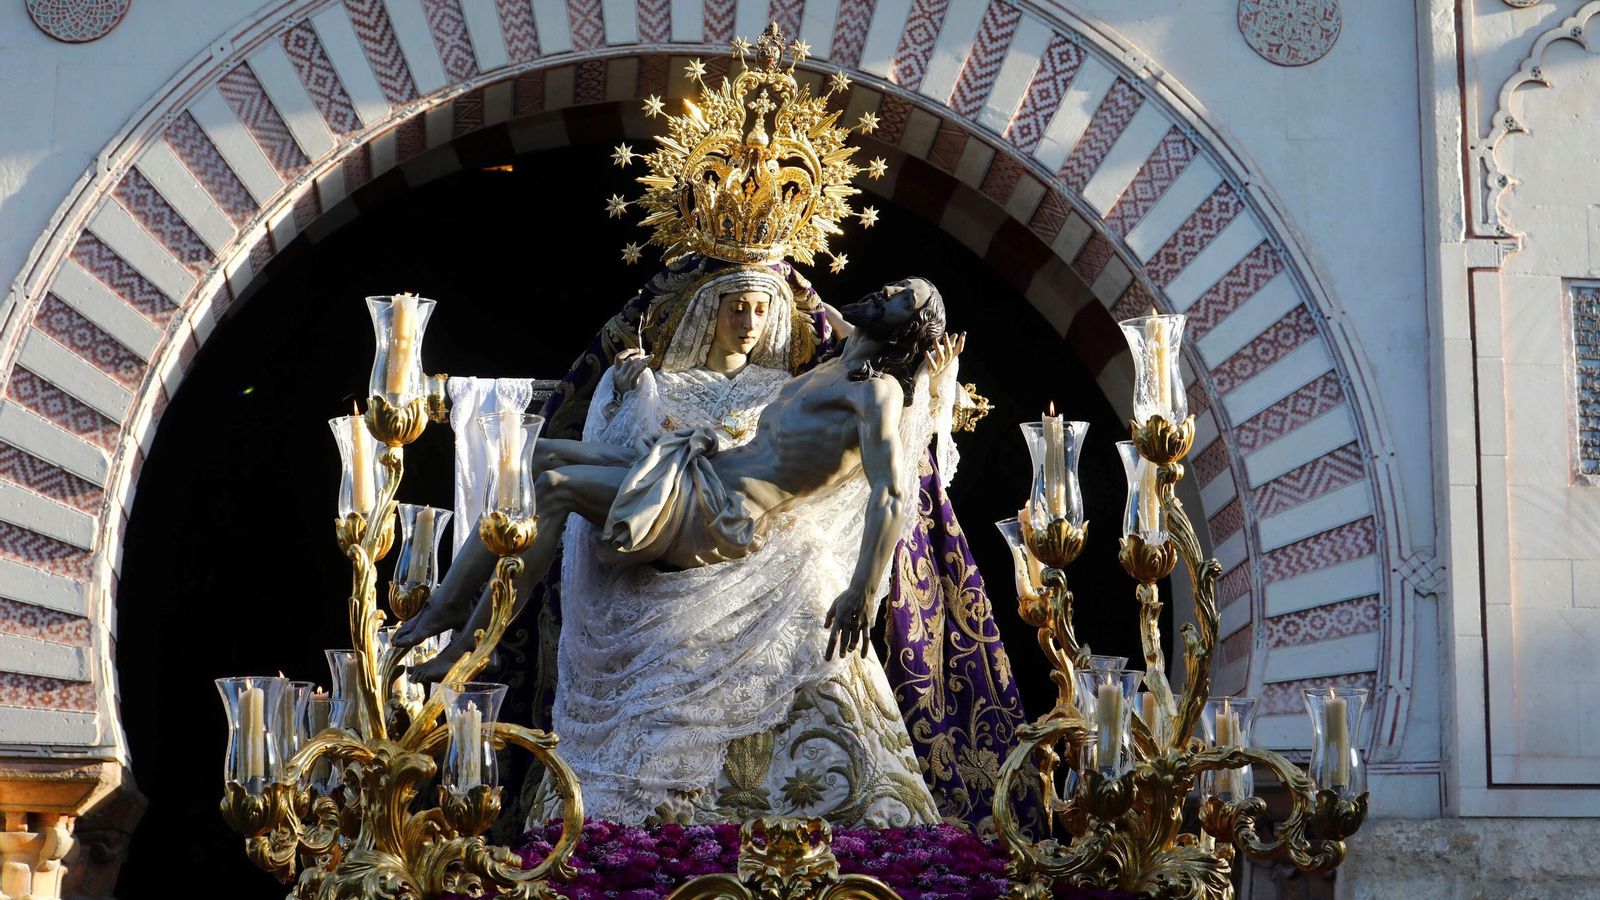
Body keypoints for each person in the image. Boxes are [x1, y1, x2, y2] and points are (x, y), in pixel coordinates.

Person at [401, 277, 956, 825]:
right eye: (892, 286)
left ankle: (472, 640)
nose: (885, 294)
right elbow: (837, 316)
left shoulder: (875, 389)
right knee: (529, 456)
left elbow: (892, 490)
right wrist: (798, 285)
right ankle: (450, 605)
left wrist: (862, 587)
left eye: (902, 299)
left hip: (716, 514)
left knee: (553, 488)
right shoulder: (839, 363)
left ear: (908, 330)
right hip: (699, 471)